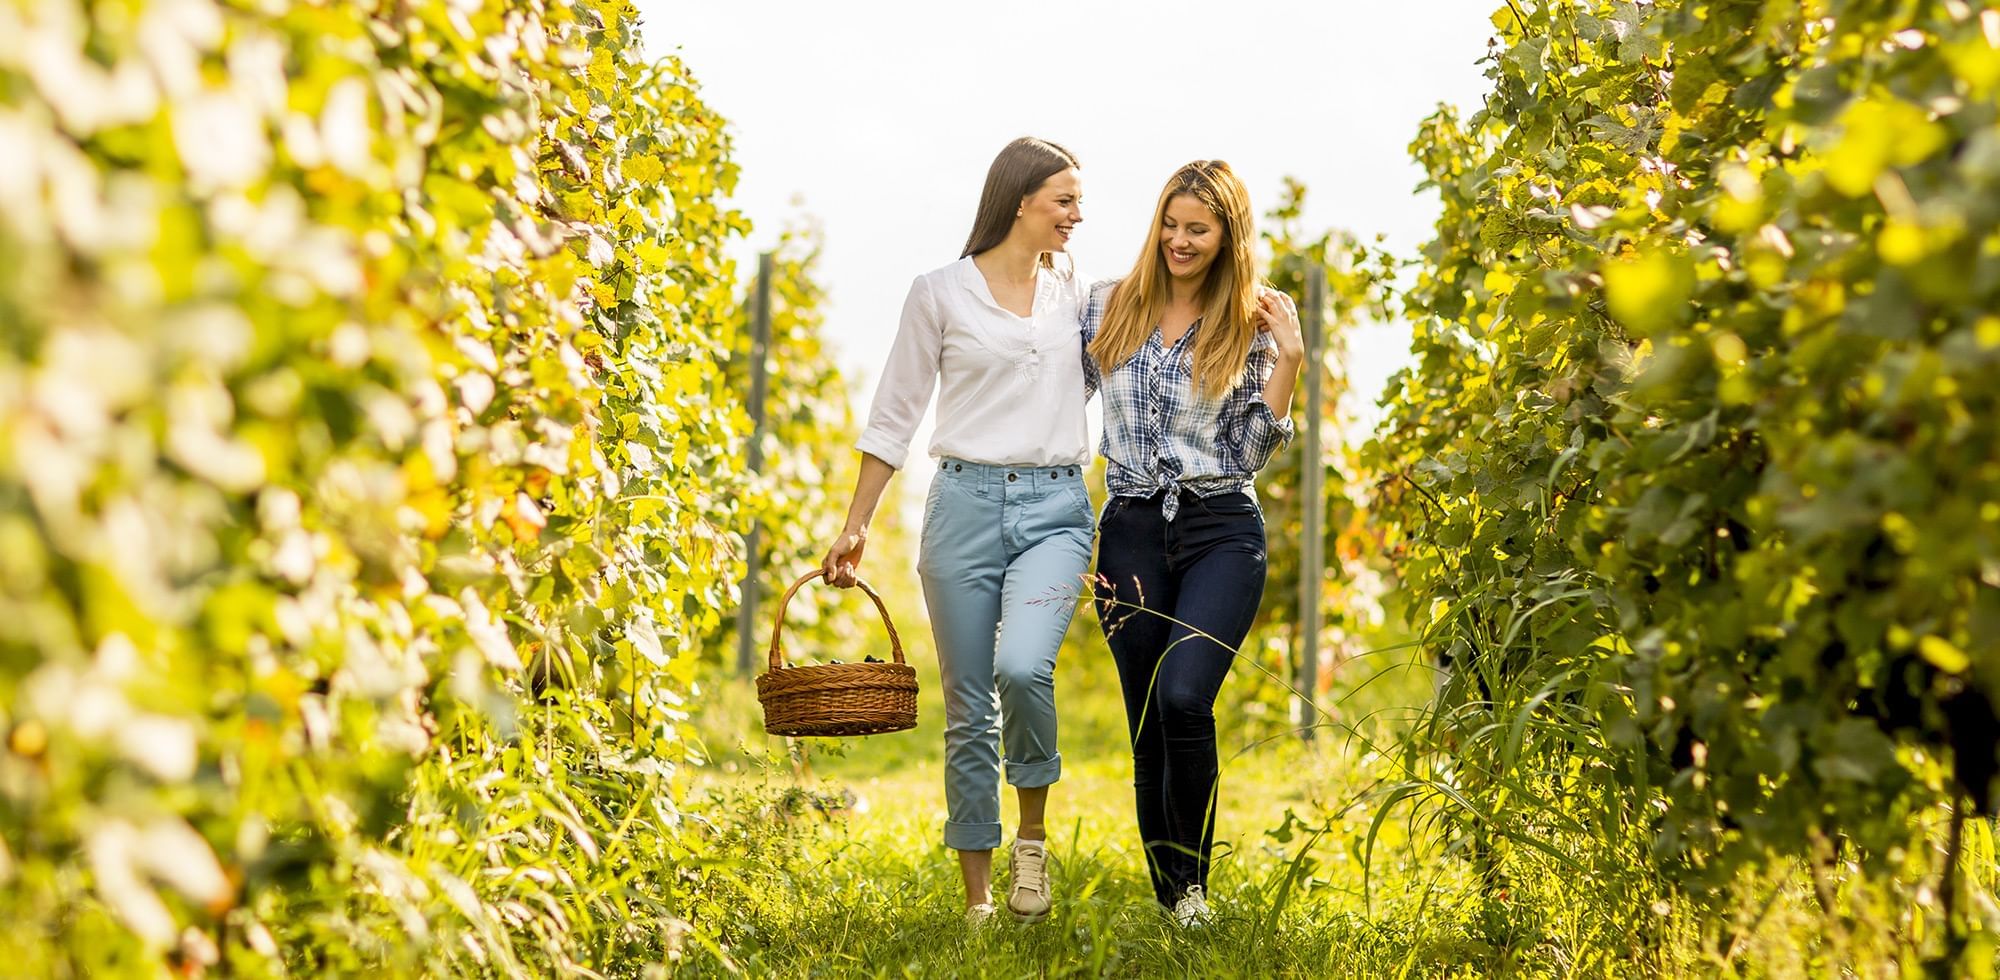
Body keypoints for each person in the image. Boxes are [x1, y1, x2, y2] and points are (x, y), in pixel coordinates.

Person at [822, 137, 1093, 925]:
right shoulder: (939, 292)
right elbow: (895, 412)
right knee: (970, 705)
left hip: (1054, 511)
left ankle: (1031, 845)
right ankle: (979, 900)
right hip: (963, 507)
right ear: (1019, 201)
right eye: (1065, 201)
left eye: (1079, 201)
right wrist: (856, 523)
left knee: (1022, 669)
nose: (1079, 216)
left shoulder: (1077, 293)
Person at [1081, 159, 1303, 927]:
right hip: (1132, 527)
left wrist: (1292, 360)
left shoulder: (1252, 323)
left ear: (1226, 236)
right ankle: (1171, 892)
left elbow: (1246, 455)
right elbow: (1050, 391)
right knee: (1147, 716)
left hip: (1220, 529)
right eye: (1170, 225)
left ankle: (1195, 888)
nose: (1179, 240)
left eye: (1197, 229)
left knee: (1184, 697)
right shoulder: (1106, 306)